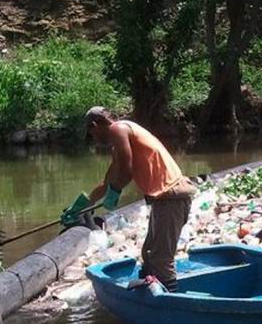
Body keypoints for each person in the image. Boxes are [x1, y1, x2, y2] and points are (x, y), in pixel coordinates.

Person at [61, 107, 196, 292]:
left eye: (91, 133)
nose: (93, 138)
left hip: (171, 195)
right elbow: (107, 181)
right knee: (148, 255)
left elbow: (126, 169)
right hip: (162, 198)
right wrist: (81, 206)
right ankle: (149, 292)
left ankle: (170, 304)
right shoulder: (120, 140)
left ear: (95, 125)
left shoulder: (118, 129)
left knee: (161, 259)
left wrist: (115, 192)